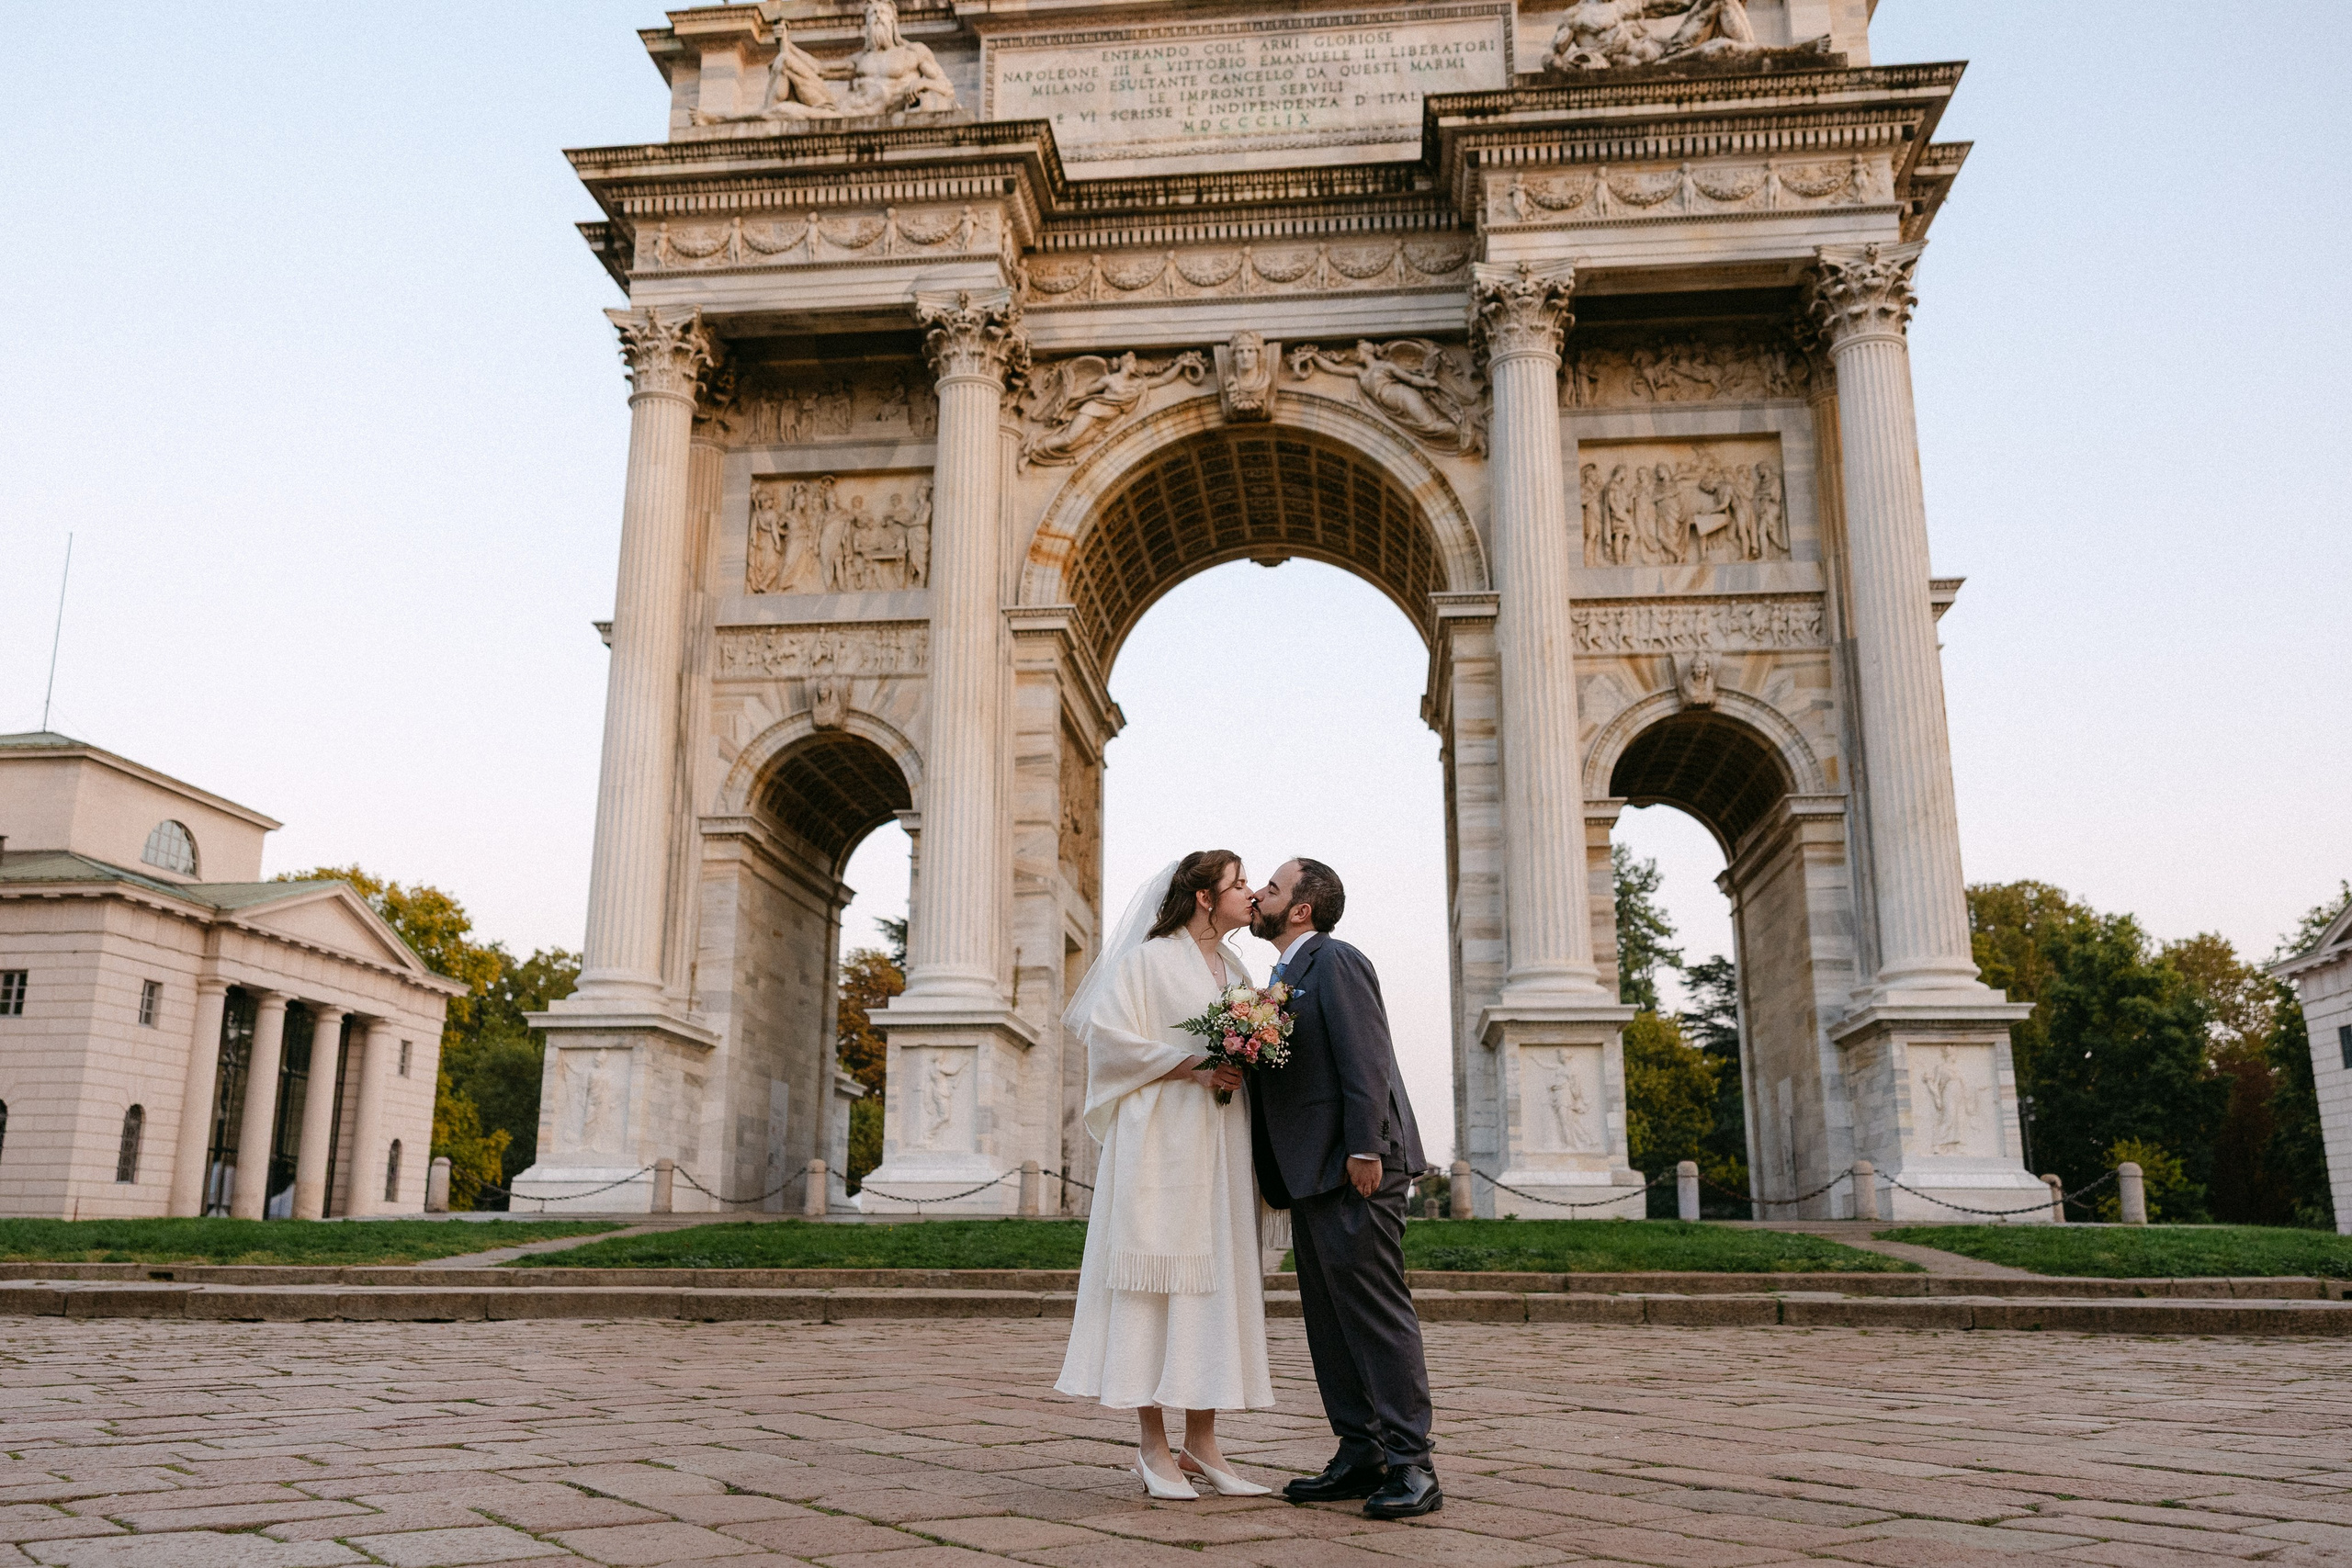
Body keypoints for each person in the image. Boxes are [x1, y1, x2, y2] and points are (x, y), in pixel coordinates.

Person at [1056, 852, 1275, 1500]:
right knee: (1152, 1286)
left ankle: (1202, 1443)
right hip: (1159, 1141)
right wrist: (1189, 1065)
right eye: (1239, 883)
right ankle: (1151, 1444)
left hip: (1222, 1142)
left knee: (1215, 1284)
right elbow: (1107, 1040)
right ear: (1205, 896)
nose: (1250, 893)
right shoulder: (1146, 962)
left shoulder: (1237, 969)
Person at [1247, 859, 1440, 1519]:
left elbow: (1367, 1055)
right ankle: (1361, 1452)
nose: (1258, 895)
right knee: (1330, 1322)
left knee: (1376, 1316)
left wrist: (1367, 1146)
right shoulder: (1282, 976)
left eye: (1272, 888)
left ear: (1301, 909)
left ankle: (1412, 1463)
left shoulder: (1336, 960)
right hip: (1310, 1172)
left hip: (1356, 1168)